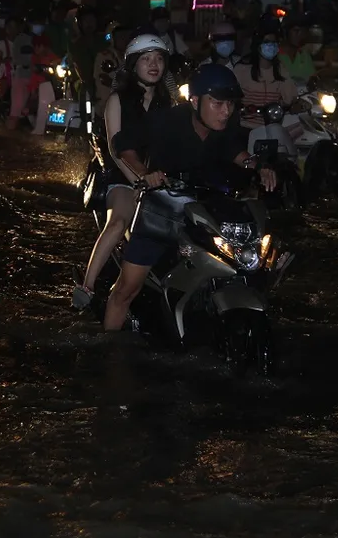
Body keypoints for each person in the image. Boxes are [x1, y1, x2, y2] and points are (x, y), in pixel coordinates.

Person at [103, 64, 278, 331]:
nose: (226, 111)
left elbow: (238, 153)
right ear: (195, 101)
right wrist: (146, 173)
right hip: (162, 210)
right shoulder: (166, 120)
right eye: (217, 103)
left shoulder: (225, 127)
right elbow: (123, 145)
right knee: (127, 289)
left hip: (204, 211)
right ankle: (108, 344)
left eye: (230, 104)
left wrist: (259, 166)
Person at [72, 34, 175, 310]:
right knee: (118, 222)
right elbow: (115, 149)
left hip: (158, 178)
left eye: (159, 58)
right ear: (133, 65)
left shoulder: (167, 104)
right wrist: (139, 181)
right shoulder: (117, 100)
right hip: (122, 176)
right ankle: (87, 286)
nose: (153, 64)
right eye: (146, 59)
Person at [234, 18, 298, 130]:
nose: (271, 46)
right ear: (258, 45)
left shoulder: (281, 70)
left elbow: (289, 99)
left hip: (272, 128)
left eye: (274, 43)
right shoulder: (242, 69)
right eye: (267, 42)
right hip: (246, 128)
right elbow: (233, 100)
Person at [0, 15, 33, 130]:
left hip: (26, 76)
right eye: (10, 27)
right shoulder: (14, 41)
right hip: (13, 75)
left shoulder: (25, 39)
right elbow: (0, 59)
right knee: (16, 108)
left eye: (14, 26)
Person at [67, 5, 106, 101]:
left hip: (104, 86)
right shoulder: (75, 45)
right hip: (84, 88)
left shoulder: (104, 41)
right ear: (80, 23)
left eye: (91, 20)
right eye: (85, 21)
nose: (89, 24)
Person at [93, 21, 132, 112]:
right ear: (112, 38)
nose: (124, 39)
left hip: (126, 104)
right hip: (106, 104)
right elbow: (105, 79)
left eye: (126, 36)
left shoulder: (130, 56)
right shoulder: (105, 56)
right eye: (120, 36)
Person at [278, 16, 317, 83]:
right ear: (285, 32)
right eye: (296, 31)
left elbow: (313, 80)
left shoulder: (304, 55)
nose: (300, 35)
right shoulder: (274, 55)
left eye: (303, 31)